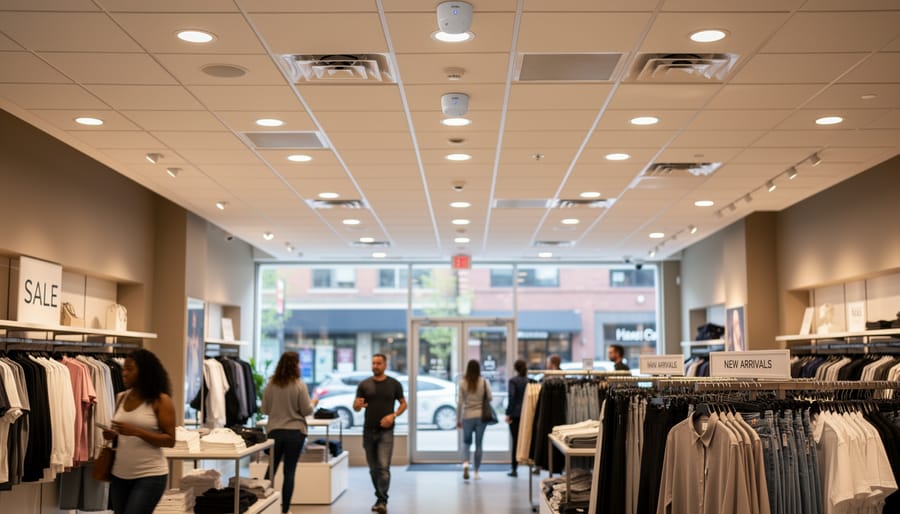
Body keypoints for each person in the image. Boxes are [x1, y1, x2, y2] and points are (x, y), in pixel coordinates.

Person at [103, 349, 176, 514]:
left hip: (149, 475)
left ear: (144, 371)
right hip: (119, 474)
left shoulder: (161, 401)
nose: (124, 373)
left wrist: (137, 432)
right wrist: (111, 434)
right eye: (123, 369)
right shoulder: (120, 397)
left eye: (130, 369)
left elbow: (170, 440)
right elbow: (120, 432)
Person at [261, 351, 315, 514]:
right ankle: (285, 510)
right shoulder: (299, 384)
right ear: (295, 365)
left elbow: (265, 409)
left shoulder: (271, 384)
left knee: (271, 469)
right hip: (295, 433)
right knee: (289, 472)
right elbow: (306, 411)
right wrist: (313, 403)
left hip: (275, 432)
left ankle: (263, 505)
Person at [353, 354, 406, 514]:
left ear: (385, 364)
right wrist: (356, 405)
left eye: (379, 363)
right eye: (373, 363)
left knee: (383, 467)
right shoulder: (364, 384)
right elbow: (357, 407)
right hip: (368, 430)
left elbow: (404, 404)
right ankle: (380, 497)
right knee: (372, 468)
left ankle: (382, 500)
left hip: (386, 432)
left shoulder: (394, 384)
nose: (375, 366)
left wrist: (393, 415)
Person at [457, 359, 492, 481]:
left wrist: (458, 418)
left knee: (466, 442)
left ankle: (466, 464)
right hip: (481, 416)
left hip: (467, 416)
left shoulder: (462, 383)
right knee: (478, 444)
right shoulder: (483, 382)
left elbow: (460, 402)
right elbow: (490, 397)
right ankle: (476, 472)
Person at [505, 359, 529, 477]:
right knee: (528, 439)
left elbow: (512, 397)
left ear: (515, 368)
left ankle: (514, 468)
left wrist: (508, 413)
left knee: (515, 441)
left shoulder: (513, 381)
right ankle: (531, 465)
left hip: (515, 414)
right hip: (527, 414)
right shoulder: (529, 381)